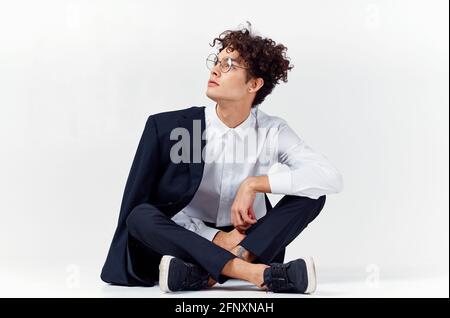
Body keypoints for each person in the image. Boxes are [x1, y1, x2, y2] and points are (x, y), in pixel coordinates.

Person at [101, 22, 343, 294]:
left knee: (311, 194)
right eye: (216, 61)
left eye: (229, 64)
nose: (215, 69)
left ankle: (206, 274)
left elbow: (330, 177)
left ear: (254, 84)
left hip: (250, 240)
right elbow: (141, 205)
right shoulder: (177, 128)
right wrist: (215, 237)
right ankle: (253, 273)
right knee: (140, 216)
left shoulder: (271, 131)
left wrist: (254, 184)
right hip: (186, 238)